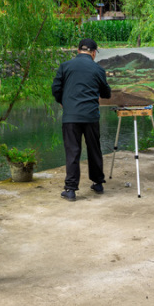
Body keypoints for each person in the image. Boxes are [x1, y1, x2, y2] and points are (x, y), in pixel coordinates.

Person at [51, 38, 112, 201]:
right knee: (94, 149)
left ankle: (71, 190)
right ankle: (98, 183)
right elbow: (107, 93)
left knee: (73, 151)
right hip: (91, 115)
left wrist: (63, 102)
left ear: (78, 51)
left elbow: (55, 88)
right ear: (93, 53)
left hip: (70, 116)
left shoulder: (65, 66)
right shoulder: (98, 69)